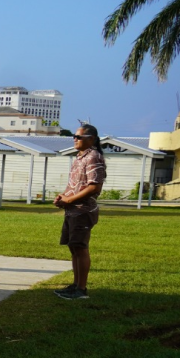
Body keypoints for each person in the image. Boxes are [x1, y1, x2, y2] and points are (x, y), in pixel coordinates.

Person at [54, 124, 106, 300]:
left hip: (83, 211)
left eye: (79, 137)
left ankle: (81, 289)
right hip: (72, 211)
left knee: (81, 248)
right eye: (74, 136)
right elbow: (75, 185)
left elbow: (93, 187)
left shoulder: (94, 157)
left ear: (91, 139)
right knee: (74, 248)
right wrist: (63, 197)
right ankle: (75, 285)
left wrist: (69, 200)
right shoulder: (79, 158)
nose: (75, 139)